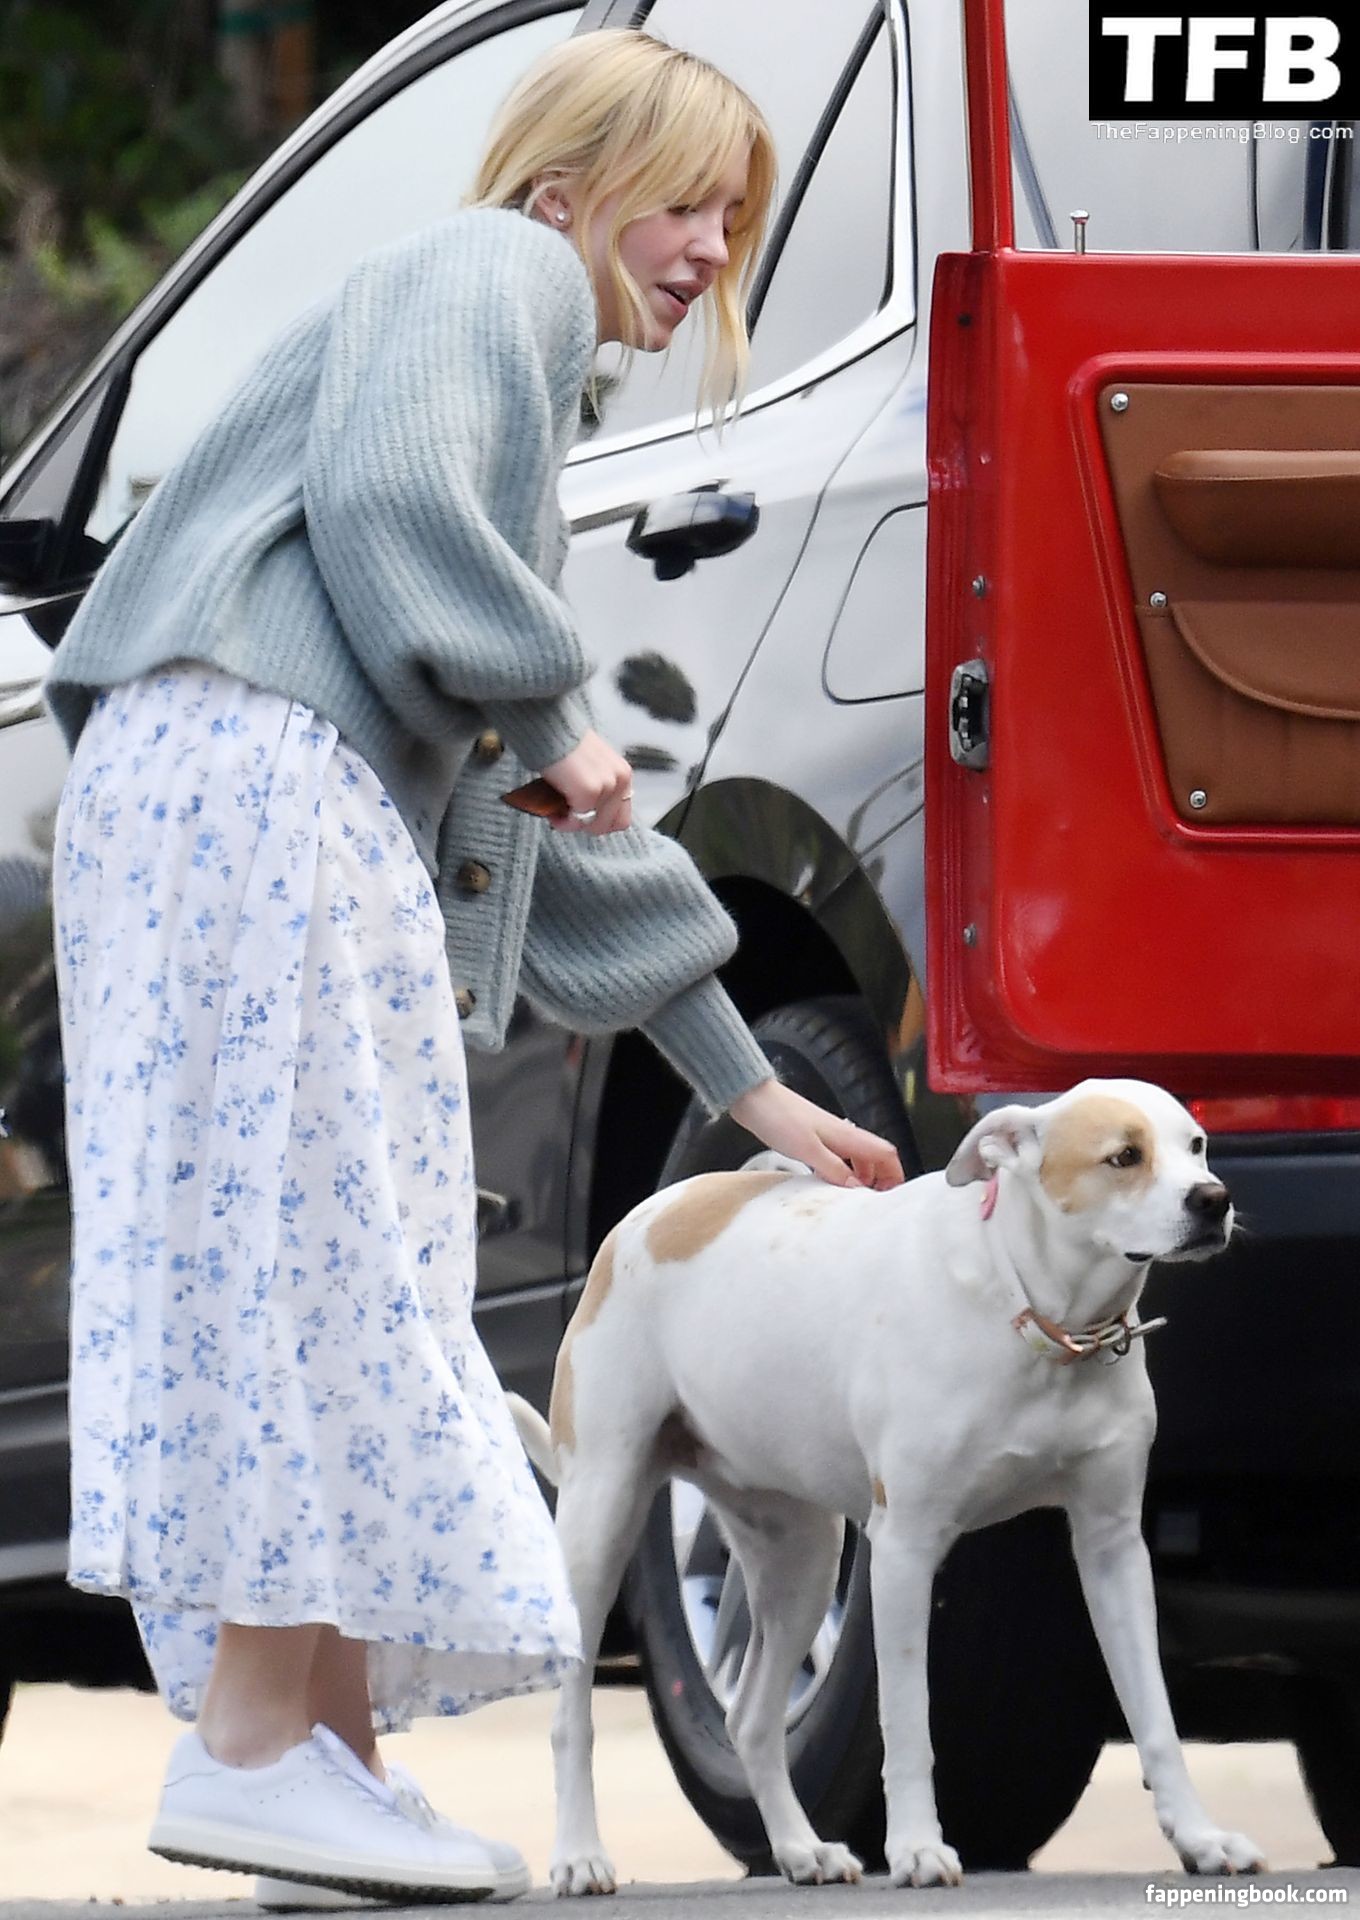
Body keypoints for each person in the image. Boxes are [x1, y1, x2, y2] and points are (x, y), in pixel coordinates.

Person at [44, 26, 906, 1905]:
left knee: (347, 1251)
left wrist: (751, 1089)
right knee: (328, 1256)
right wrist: (554, 705)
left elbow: (525, 852)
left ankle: (322, 1768)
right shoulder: (494, 268)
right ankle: (253, 1748)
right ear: (569, 190)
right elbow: (400, 514)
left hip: (233, 788)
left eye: (734, 220)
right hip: (255, 780)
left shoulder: (483, 395)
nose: (710, 249)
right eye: (684, 202)